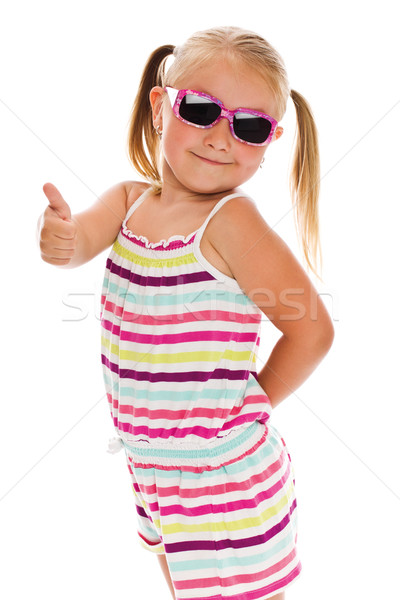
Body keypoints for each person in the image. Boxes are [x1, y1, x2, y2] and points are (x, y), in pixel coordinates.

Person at [38, 26, 334, 600]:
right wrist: (57, 235)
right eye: (201, 110)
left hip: (221, 479)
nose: (222, 139)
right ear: (160, 106)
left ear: (267, 144)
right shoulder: (129, 201)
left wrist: (246, 410)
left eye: (249, 127)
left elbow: (312, 330)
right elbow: (75, 244)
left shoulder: (230, 222)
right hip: (151, 470)